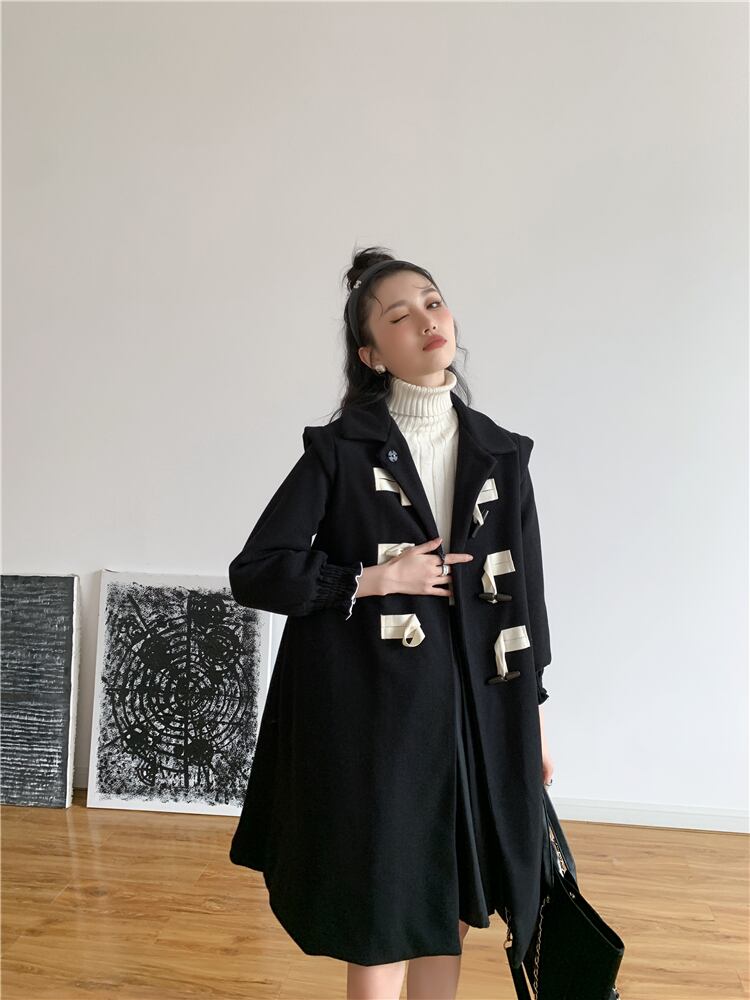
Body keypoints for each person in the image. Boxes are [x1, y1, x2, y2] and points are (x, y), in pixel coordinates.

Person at [228, 246, 555, 1000]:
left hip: (476, 714)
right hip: (376, 719)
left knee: (454, 904)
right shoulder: (339, 450)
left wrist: (534, 718)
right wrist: (374, 579)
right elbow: (258, 569)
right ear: (372, 354)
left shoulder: (502, 453)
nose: (426, 320)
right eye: (399, 316)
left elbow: (528, 598)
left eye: (433, 303)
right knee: (383, 904)